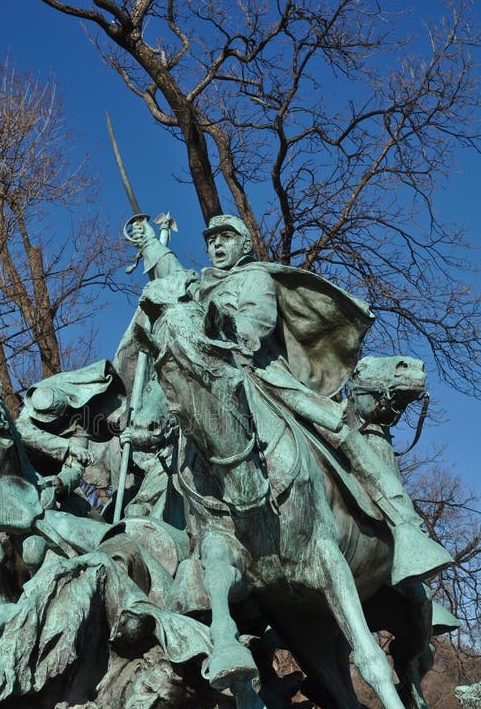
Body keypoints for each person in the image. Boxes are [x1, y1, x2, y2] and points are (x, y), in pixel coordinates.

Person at [129, 214, 452, 586]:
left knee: (337, 431)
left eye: (226, 238)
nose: (217, 245)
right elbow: (171, 273)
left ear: (244, 245)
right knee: (163, 444)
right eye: (211, 240)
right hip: (207, 382)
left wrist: (229, 329)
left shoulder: (255, 277)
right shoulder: (202, 285)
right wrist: (148, 242)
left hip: (259, 375)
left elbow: (261, 320)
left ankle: (406, 527)